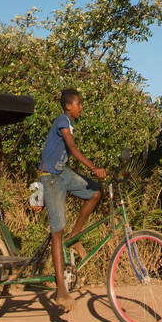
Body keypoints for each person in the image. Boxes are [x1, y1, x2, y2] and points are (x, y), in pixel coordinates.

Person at [33, 89, 105, 308]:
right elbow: (72, 148)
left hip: (62, 173)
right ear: (68, 106)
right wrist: (93, 167)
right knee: (57, 232)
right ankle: (61, 290)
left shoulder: (69, 122)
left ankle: (75, 236)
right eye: (78, 103)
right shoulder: (62, 121)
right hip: (51, 178)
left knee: (95, 192)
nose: (81, 107)